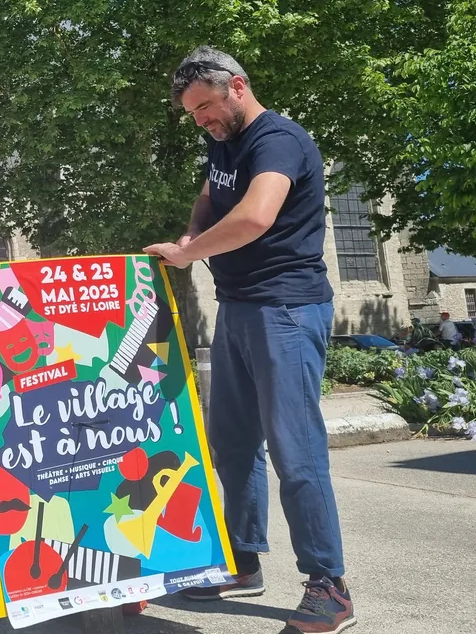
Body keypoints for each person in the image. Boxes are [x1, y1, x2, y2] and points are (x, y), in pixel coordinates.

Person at [144, 47, 354, 634]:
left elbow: (256, 215)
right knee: (232, 445)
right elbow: (211, 197)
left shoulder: (277, 140)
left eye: (206, 107)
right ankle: (242, 561)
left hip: (286, 310)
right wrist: (191, 233)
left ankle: (329, 585)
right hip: (238, 306)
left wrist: (188, 253)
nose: (202, 121)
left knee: (296, 450)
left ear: (237, 86)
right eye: (193, 114)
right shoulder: (224, 142)